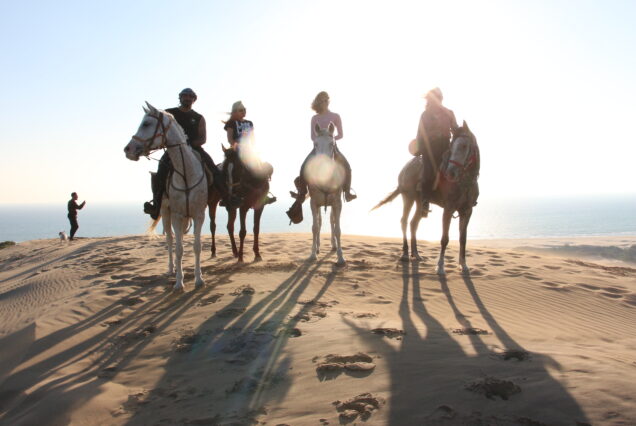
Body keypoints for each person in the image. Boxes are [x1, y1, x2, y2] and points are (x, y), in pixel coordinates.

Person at [143, 88, 239, 220]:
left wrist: (188, 145)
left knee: (214, 170)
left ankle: (227, 199)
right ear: (180, 98)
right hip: (173, 150)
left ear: (194, 99)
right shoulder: (169, 113)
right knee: (160, 172)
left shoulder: (198, 118)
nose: (187, 98)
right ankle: (156, 205)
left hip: (194, 148)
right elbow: (162, 131)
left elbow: (203, 139)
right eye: (185, 96)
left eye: (190, 96)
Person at [291, 91, 356, 202]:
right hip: (318, 148)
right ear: (318, 102)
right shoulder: (314, 118)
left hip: (332, 147)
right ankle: (302, 193)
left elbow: (341, 134)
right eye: (322, 101)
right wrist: (321, 141)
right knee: (303, 166)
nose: (325, 102)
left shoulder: (335, 116)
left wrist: (330, 140)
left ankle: (347, 193)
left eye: (326, 100)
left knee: (347, 166)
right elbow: (312, 136)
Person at [223, 101, 276, 205]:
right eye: (241, 110)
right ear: (235, 112)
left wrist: (253, 148)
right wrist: (238, 146)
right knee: (226, 169)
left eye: (244, 110)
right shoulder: (231, 123)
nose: (243, 112)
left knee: (260, 169)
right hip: (236, 150)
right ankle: (226, 195)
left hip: (249, 151)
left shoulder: (249, 123)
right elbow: (230, 139)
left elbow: (252, 138)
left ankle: (264, 194)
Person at [415, 87, 458, 216]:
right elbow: (420, 134)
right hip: (430, 149)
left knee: (457, 168)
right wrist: (421, 148)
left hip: (446, 148)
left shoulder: (449, 113)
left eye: (438, 98)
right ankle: (425, 201)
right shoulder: (425, 115)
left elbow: (455, 130)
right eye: (433, 99)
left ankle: (462, 197)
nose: (436, 101)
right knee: (428, 173)